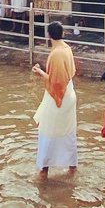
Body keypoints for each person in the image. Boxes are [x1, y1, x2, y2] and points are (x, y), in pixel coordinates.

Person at [31, 20, 77, 179]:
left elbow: (57, 83)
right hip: (69, 93)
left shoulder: (57, 53)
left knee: (47, 131)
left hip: (60, 96)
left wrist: (40, 73)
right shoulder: (66, 48)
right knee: (67, 132)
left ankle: (44, 170)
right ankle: (72, 167)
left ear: (48, 34)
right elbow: (67, 75)